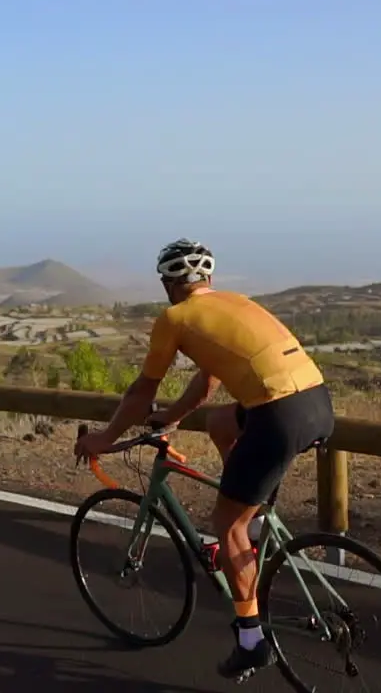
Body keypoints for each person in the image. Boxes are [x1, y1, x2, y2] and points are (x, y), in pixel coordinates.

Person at [74, 238, 336, 679]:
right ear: (208, 279)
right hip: (318, 404)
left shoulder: (175, 318)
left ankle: (251, 639)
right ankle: (252, 527)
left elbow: (141, 392)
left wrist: (104, 437)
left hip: (276, 414)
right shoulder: (234, 304)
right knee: (219, 424)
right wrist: (173, 418)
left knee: (225, 524)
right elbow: (207, 385)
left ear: (168, 284)